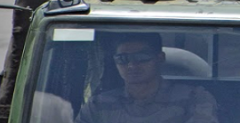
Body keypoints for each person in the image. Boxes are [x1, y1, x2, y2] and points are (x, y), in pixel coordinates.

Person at [77, 34, 217, 123]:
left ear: (160, 58)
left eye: (141, 57)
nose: (131, 65)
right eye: (123, 59)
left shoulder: (193, 98)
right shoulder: (99, 105)